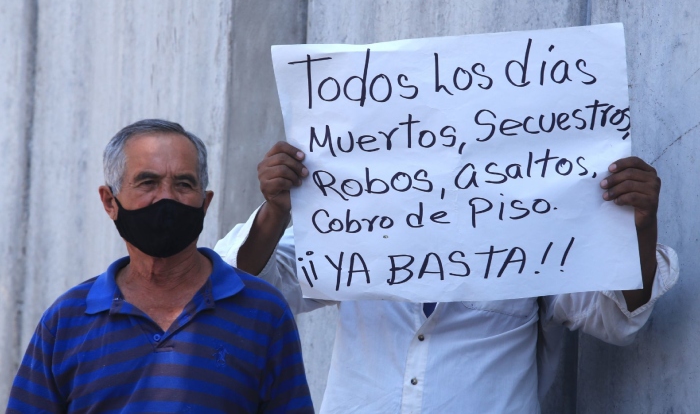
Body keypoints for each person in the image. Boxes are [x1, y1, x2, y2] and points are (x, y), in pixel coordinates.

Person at [215, 141, 679, 414]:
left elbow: (619, 319)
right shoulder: (358, 230)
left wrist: (638, 229)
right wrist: (276, 211)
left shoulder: (529, 238)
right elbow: (239, 286)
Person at [7, 121, 314, 413]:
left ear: (205, 203)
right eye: (147, 182)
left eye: (183, 183)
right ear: (109, 202)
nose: (166, 197)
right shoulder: (67, 321)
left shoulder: (264, 312)